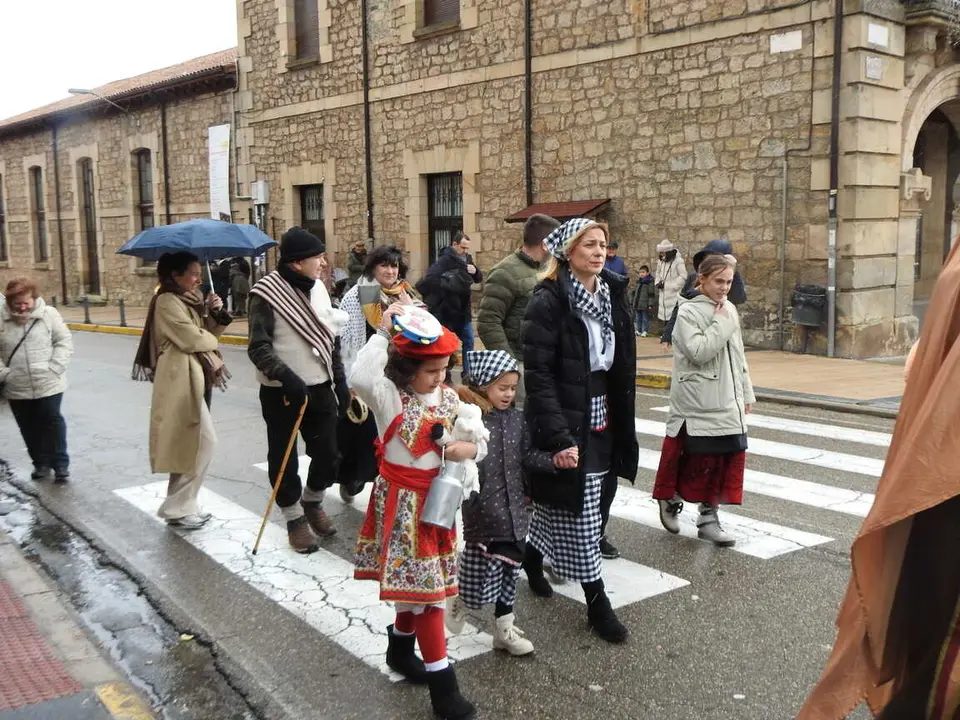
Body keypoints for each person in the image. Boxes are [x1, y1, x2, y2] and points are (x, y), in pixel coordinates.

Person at [350, 304, 484, 720]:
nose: (440, 377)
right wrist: (383, 330)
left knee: (419, 592)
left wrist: (467, 449)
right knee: (429, 599)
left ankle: (400, 651)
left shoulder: (449, 399)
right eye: (430, 370)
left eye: (444, 367)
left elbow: (478, 442)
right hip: (404, 508)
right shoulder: (390, 398)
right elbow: (359, 376)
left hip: (439, 506)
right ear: (405, 369)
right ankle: (443, 689)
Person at [521, 218, 639, 643]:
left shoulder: (612, 293)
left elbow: (621, 362)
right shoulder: (549, 301)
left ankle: (532, 557)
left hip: (605, 409)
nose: (598, 251)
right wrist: (558, 435)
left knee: (585, 498)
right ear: (568, 251)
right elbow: (538, 376)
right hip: (568, 414)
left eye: (603, 244)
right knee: (583, 509)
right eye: (588, 244)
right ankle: (597, 602)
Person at [446, 349, 555, 656]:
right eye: (501, 388)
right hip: (483, 511)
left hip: (516, 511)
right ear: (482, 386)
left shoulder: (518, 420)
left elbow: (526, 457)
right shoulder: (471, 423)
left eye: (512, 387)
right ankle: (463, 600)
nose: (508, 394)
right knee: (482, 569)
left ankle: (504, 629)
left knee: (510, 570)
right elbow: (457, 465)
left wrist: (553, 461)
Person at [248, 227, 349, 554]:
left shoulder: (319, 289)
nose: (323, 262)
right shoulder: (264, 294)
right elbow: (258, 348)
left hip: (320, 387)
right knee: (284, 457)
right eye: (317, 256)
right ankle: (293, 518)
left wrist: (341, 382)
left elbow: (330, 340)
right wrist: (285, 376)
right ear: (296, 262)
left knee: (329, 453)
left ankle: (312, 500)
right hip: (282, 391)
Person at [652, 254, 754, 547]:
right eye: (719, 281)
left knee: (723, 461)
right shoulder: (687, 312)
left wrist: (746, 393)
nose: (724, 287)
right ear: (702, 279)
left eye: (729, 282)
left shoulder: (729, 308)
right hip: (699, 402)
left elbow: (738, 356)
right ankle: (670, 498)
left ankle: (709, 519)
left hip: (727, 400)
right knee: (697, 460)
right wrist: (721, 323)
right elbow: (698, 352)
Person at [132, 252, 233, 528]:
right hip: (178, 377)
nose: (199, 279)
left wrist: (214, 312)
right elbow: (192, 338)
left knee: (189, 443)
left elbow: (206, 335)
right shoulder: (167, 300)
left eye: (199, 272)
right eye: (192, 273)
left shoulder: (189, 300)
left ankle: (182, 506)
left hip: (193, 375)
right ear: (174, 276)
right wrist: (207, 332)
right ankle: (177, 507)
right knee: (203, 441)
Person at [337, 244, 422, 502]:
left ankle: (387, 484)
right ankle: (352, 479)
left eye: (394, 265)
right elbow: (346, 339)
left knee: (394, 434)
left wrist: (411, 309)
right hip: (368, 372)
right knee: (363, 435)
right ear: (373, 267)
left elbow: (422, 327)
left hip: (398, 374)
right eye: (384, 264)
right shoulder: (358, 295)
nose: (390, 270)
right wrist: (351, 379)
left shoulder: (405, 293)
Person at [0, 277, 74, 484]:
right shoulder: (1, 319)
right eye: (18, 304)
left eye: (27, 303)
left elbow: (64, 341)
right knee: (28, 425)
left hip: (48, 381)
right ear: (9, 302)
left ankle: (60, 465)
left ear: (34, 299)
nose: (23, 308)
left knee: (52, 420)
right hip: (16, 384)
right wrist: (5, 374)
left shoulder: (48, 314)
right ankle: (40, 463)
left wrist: (55, 368)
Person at [477, 214, 558, 359]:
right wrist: (510, 365)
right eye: (556, 242)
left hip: (544, 361)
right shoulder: (504, 272)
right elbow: (488, 322)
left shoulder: (549, 269)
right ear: (545, 245)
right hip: (520, 361)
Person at [416, 231, 483, 378]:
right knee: (447, 345)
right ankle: (445, 375)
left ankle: (468, 374)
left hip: (463, 310)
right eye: (462, 248)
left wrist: (476, 271)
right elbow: (430, 279)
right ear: (454, 245)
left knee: (469, 341)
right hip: (446, 311)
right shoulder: (444, 260)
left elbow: (478, 279)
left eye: (467, 248)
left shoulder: (468, 259)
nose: (465, 251)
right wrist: (449, 283)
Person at [661, 239, 748, 347]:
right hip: (700, 332)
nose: (724, 287)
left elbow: (740, 297)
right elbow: (680, 304)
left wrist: (734, 271)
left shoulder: (731, 279)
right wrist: (668, 334)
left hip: (725, 338)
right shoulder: (694, 277)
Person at [654, 239, 686, 329]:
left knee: (673, 315)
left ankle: (671, 334)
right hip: (663, 292)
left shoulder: (678, 261)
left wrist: (674, 287)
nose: (661, 255)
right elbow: (658, 273)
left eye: (663, 253)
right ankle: (666, 332)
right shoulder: (661, 261)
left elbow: (683, 276)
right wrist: (658, 282)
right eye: (661, 253)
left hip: (673, 293)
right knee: (665, 315)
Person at [632, 265, 655, 337]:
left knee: (645, 318)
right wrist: (632, 301)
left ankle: (644, 330)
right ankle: (638, 330)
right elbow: (634, 292)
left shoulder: (649, 282)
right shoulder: (638, 282)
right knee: (638, 318)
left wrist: (650, 304)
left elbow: (651, 294)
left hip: (645, 304)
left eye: (643, 272)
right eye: (640, 272)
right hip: (637, 303)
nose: (641, 274)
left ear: (647, 273)